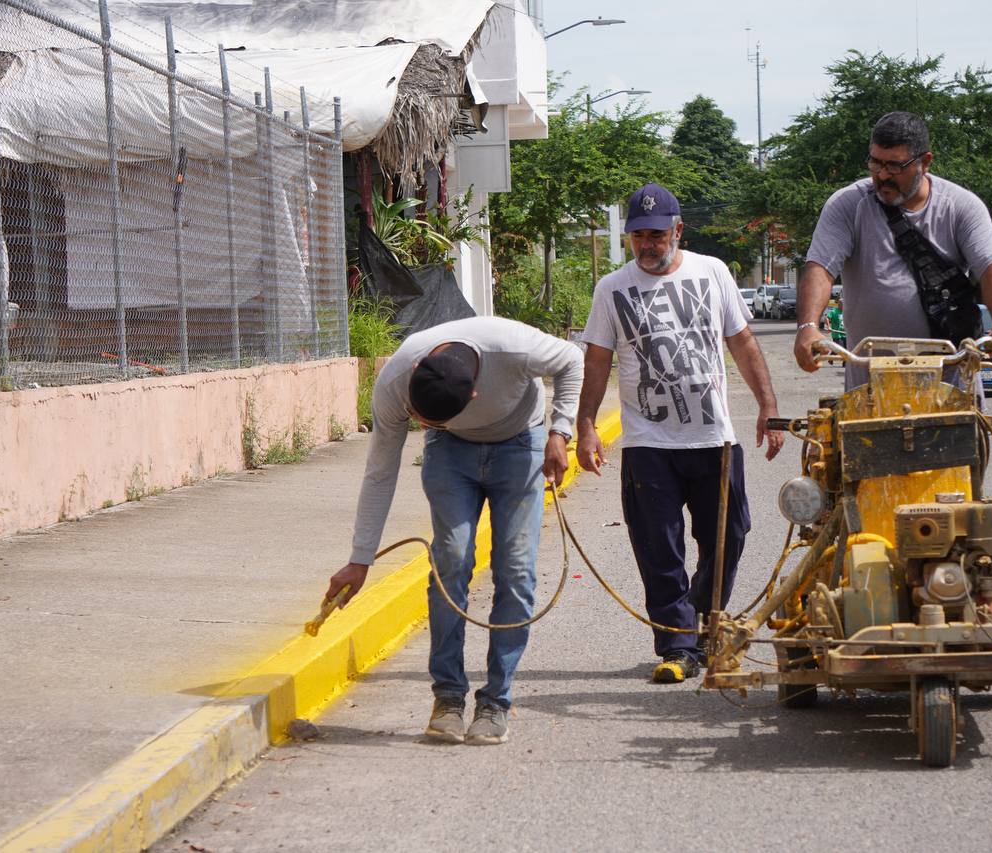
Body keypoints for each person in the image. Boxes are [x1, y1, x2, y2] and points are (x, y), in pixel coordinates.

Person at [322, 316, 583, 746]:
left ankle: (496, 701)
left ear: (473, 394)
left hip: (520, 443)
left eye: (432, 421)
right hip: (451, 454)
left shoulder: (514, 348)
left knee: (516, 570)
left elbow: (573, 359)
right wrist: (359, 559)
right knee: (451, 558)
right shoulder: (394, 382)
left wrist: (560, 431)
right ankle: (447, 698)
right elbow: (380, 472)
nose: (422, 424)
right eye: (421, 420)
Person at [575, 183, 785, 685]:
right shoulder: (612, 289)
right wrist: (584, 425)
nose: (647, 244)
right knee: (658, 547)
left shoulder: (713, 273)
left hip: (714, 438)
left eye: (657, 234)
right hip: (649, 443)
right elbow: (597, 360)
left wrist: (768, 406)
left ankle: (702, 622)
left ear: (678, 230)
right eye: (638, 236)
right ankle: (678, 644)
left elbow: (741, 341)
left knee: (730, 536)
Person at [793, 111, 992, 381]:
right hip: (869, 389)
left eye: (895, 166)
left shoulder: (961, 206)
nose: (882, 175)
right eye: (875, 163)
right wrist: (807, 327)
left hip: (950, 385)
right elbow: (820, 268)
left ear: (925, 162)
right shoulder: (847, 205)